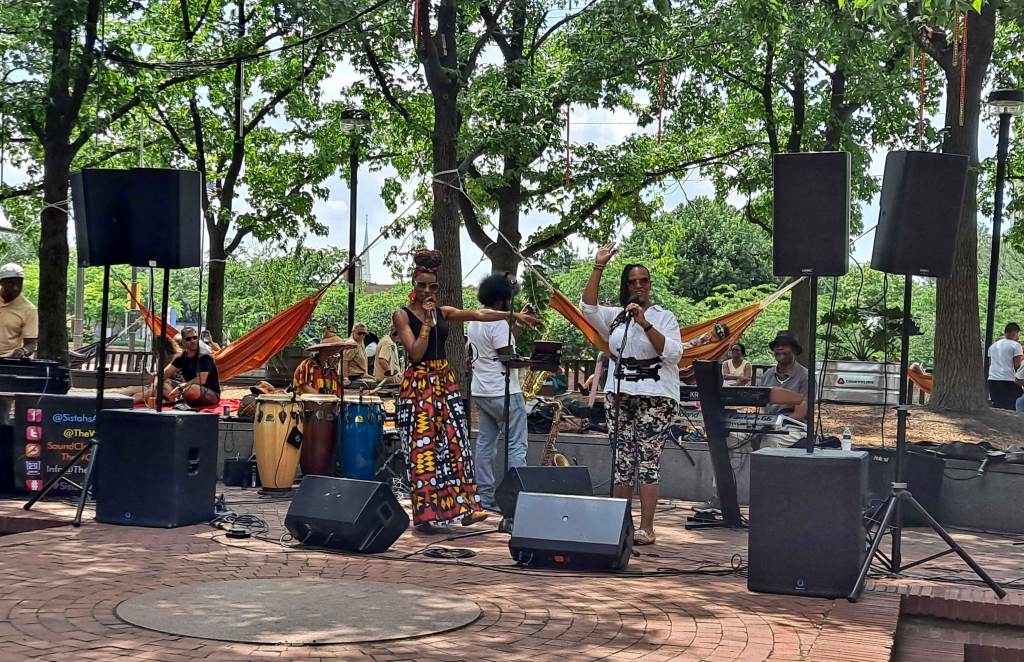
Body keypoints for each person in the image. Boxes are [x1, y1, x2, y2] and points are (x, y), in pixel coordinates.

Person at [393, 249, 539, 532]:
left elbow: (480, 313)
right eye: (421, 285)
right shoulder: (402, 315)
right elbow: (414, 352)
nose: (426, 290)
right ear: (413, 283)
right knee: (424, 449)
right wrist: (425, 323)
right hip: (420, 384)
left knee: (455, 444)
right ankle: (426, 514)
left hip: (443, 382)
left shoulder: (444, 312)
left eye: (432, 286)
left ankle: (466, 508)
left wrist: (514, 316)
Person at [581, 242, 683, 546]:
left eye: (643, 280)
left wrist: (644, 322)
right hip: (619, 394)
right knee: (622, 462)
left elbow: (674, 354)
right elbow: (587, 308)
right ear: (626, 286)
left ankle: (647, 527)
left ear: (650, 285)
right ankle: (619, 525)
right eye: (632, 281)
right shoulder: (616, 316)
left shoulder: (664, 317)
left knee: (648, 462)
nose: (638, 286)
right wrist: (598, 265)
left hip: (656, 397)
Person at [467, 273, 532, 512]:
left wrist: (516, 327)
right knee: (516, 445)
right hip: (504, 391)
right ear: (502, 299)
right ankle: (515, 499)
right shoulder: (498, 323)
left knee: (485, 442)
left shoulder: (475, 320)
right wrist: (532, 362)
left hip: (481, 392)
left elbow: (495, 349)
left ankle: (485, 497)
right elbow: (507, 359)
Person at [163, 327, 221, 409]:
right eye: (188, 339)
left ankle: (178, 401)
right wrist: (157, 381)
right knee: (163, 383)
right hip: (187, 389)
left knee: (192, 389)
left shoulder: (204, 355)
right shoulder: (182, 356)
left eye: (195, 337)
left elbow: (201, 380)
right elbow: (164, 374)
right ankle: (178, 402)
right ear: (183, 342)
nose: (193, 341)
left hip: (210, 394)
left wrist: (180, 387)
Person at [758, 331, 808, 419]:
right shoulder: (767, 375)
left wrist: (775, 425)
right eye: (777, 346)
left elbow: (800, 414)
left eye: (784, 345)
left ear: (794, 350)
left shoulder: (805, 377)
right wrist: (764, 421)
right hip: (767, 423)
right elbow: (762, 406)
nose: (780, 348)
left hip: (794, 426)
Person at [0, 263, 38, 358]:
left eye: (19, 283)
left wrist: (23, 351)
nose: (16, 288)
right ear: (1, 282)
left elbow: (31, 344)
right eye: (11, 283)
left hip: (8, 359)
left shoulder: (29, 309)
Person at [988, 323, 1023, 410]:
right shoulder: (1015, 345)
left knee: (997, 406)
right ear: (1014, 332)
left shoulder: (993, 346)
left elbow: (990, 362)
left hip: (993, 379)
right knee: (1012, 405)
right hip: (1008, 380)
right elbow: (1017, 365)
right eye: (1017, 333)